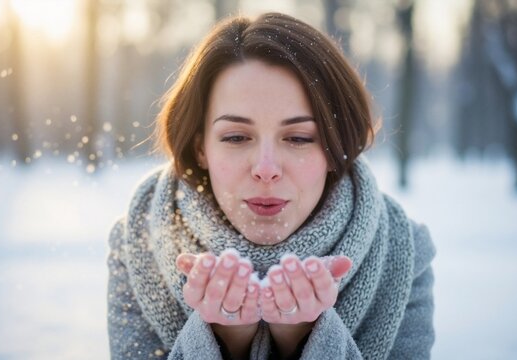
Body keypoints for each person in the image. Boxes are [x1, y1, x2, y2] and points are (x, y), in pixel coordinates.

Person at [107, 12, 435, 360]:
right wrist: (223, 342)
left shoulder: (402, 250)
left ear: (334, 148)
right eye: (236, 137)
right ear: (201, 147)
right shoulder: (139, 243)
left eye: (297, 137)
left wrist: (305, 340)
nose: (266, 169)